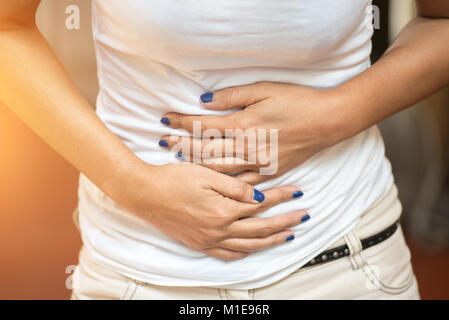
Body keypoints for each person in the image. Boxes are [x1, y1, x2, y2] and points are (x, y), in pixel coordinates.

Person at [1, 0, 448, 300]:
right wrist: (135, 186)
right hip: (136, 270)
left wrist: (333, 116)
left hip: (342, 258)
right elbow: (7, 28)